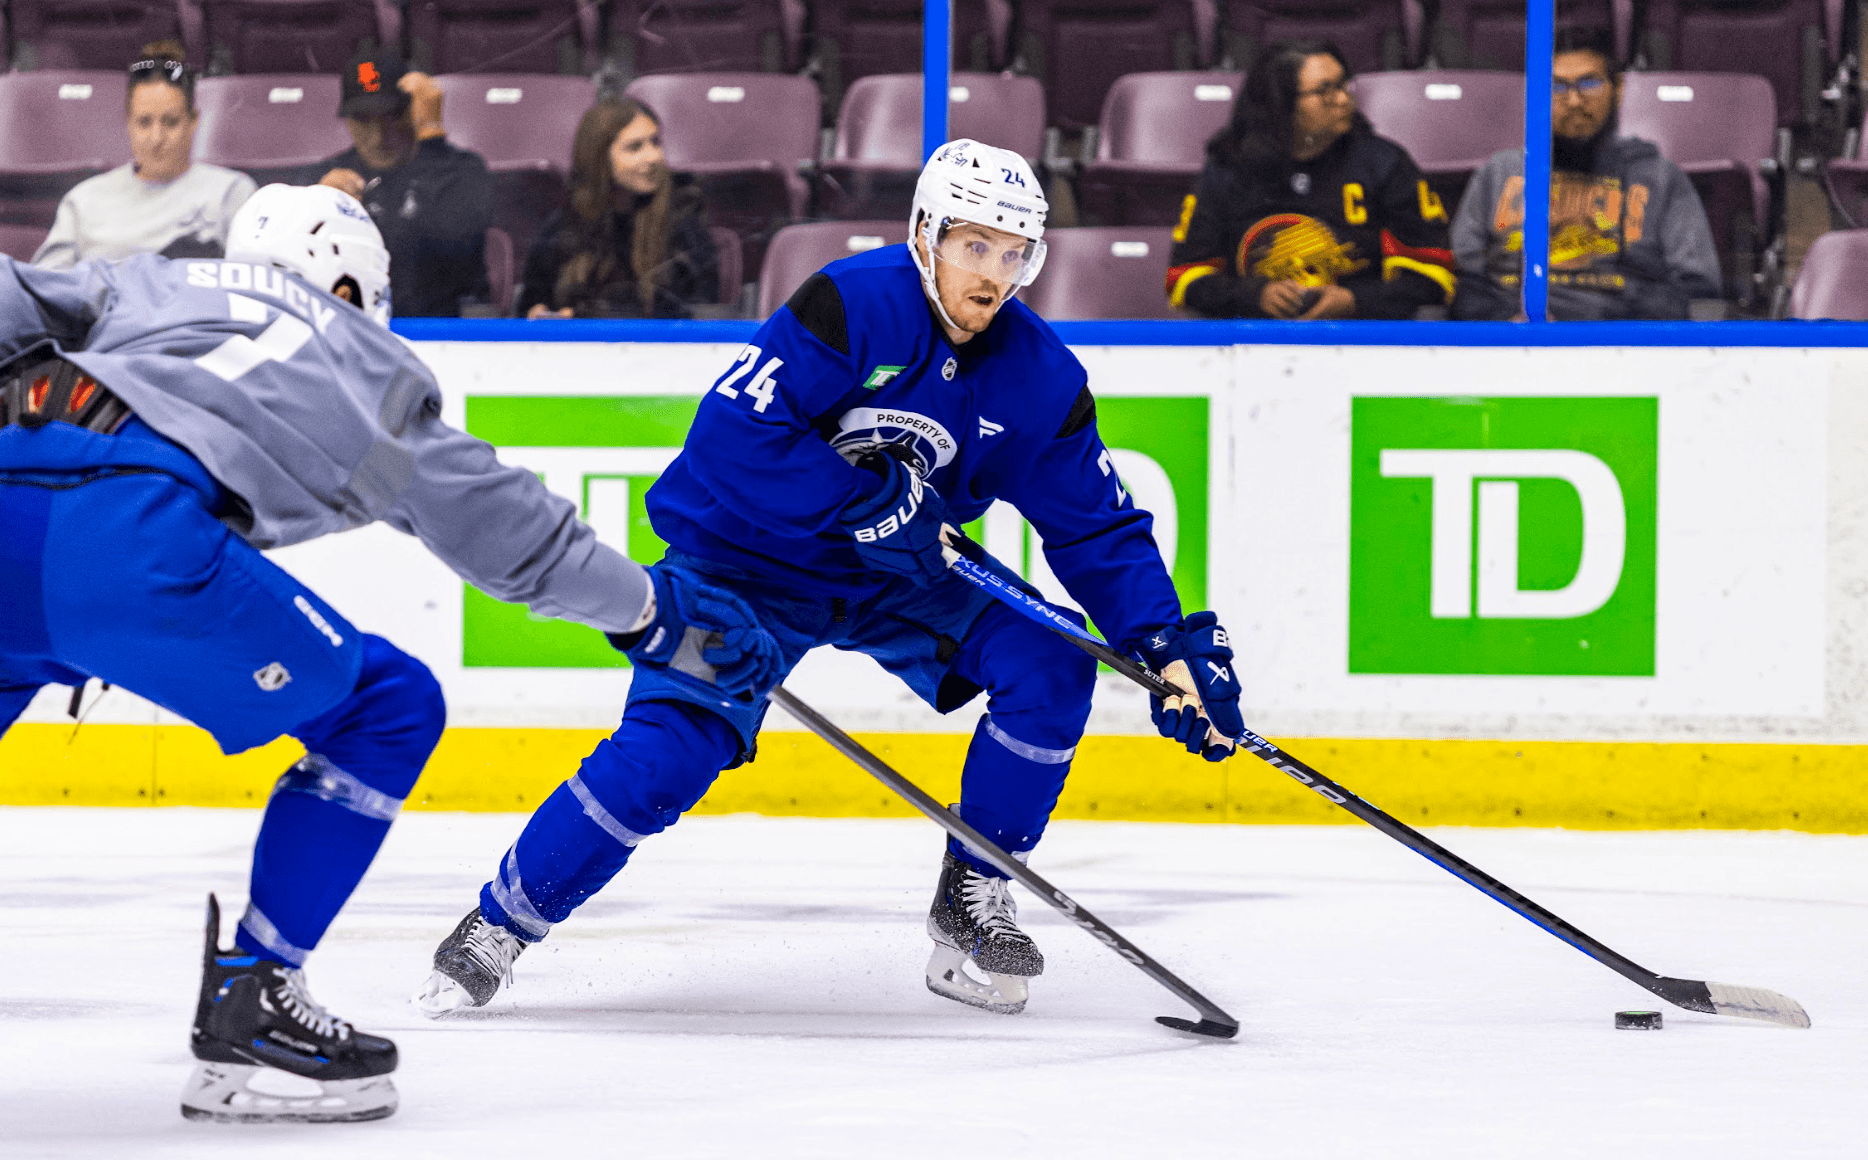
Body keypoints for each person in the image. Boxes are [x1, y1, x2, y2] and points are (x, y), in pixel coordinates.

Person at [414, 140, 1247, 1021]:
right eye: (974, 245)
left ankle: (973, 894)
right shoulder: (850, 305)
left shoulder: (1040, 376)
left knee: (1049, 662)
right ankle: (498, 924)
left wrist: (1164, 646)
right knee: (673, 752)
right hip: (741, 562)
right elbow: (732, 441)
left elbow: (1100, 527)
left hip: (899, 573)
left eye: (1015, 253)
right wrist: (862, 497)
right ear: (925, 234)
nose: (993, 274)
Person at [0, 183, 779, 1122]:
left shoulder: (154, 283)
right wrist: (651, 615)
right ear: (352, 285)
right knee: (387, 706)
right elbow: (510, 533)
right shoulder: (368, 364)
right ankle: (258, 995)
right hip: (138, 538)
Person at [1165, 39, 1455, 320]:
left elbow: (1435, 275)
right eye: (1325, 90)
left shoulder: (1385, 163)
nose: (1343, 99)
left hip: (1362, 344)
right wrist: (1254, 296)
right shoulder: (1227, 169)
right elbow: (1185, 279)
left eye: (1343, 85)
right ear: (1282, 103)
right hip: (1251, 344)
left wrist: (1356, 301)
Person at [1450, 25, 1722, 320]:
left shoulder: (1660, 176)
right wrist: (1507, 320)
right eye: (1557, 86)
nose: (1575, 101)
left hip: (1621, 348)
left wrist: (1602, 323)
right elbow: (1461, 281)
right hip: (1512, 343)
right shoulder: (1500, 172)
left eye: (1590, 84)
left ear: (1617, 89)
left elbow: (1697, 289)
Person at [32, 40, 256, 269]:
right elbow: (45, 288)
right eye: (144, 122)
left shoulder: (231, 193)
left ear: (192, 122)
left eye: (170, 122)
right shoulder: (83, 201)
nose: (156, 138)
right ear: (128, 123)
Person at [306, 49, 492, 317]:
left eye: (391, 116)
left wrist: (431, 138)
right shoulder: (324, 181)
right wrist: (319, 208)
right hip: (353, 330)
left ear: (413, 112)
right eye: (363, 119)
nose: (379, 135)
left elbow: (459, 244)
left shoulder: (462, 170)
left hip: (444, 334)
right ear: (347, 120)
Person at [519, 97, 719, 319]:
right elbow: (530, 303)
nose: (653, 157)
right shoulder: (566, 222)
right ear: (599, 157)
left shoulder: (682, 212)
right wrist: (541, 315)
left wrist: (580, 317)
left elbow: (693, 308)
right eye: (635, 147)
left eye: (655, 142)